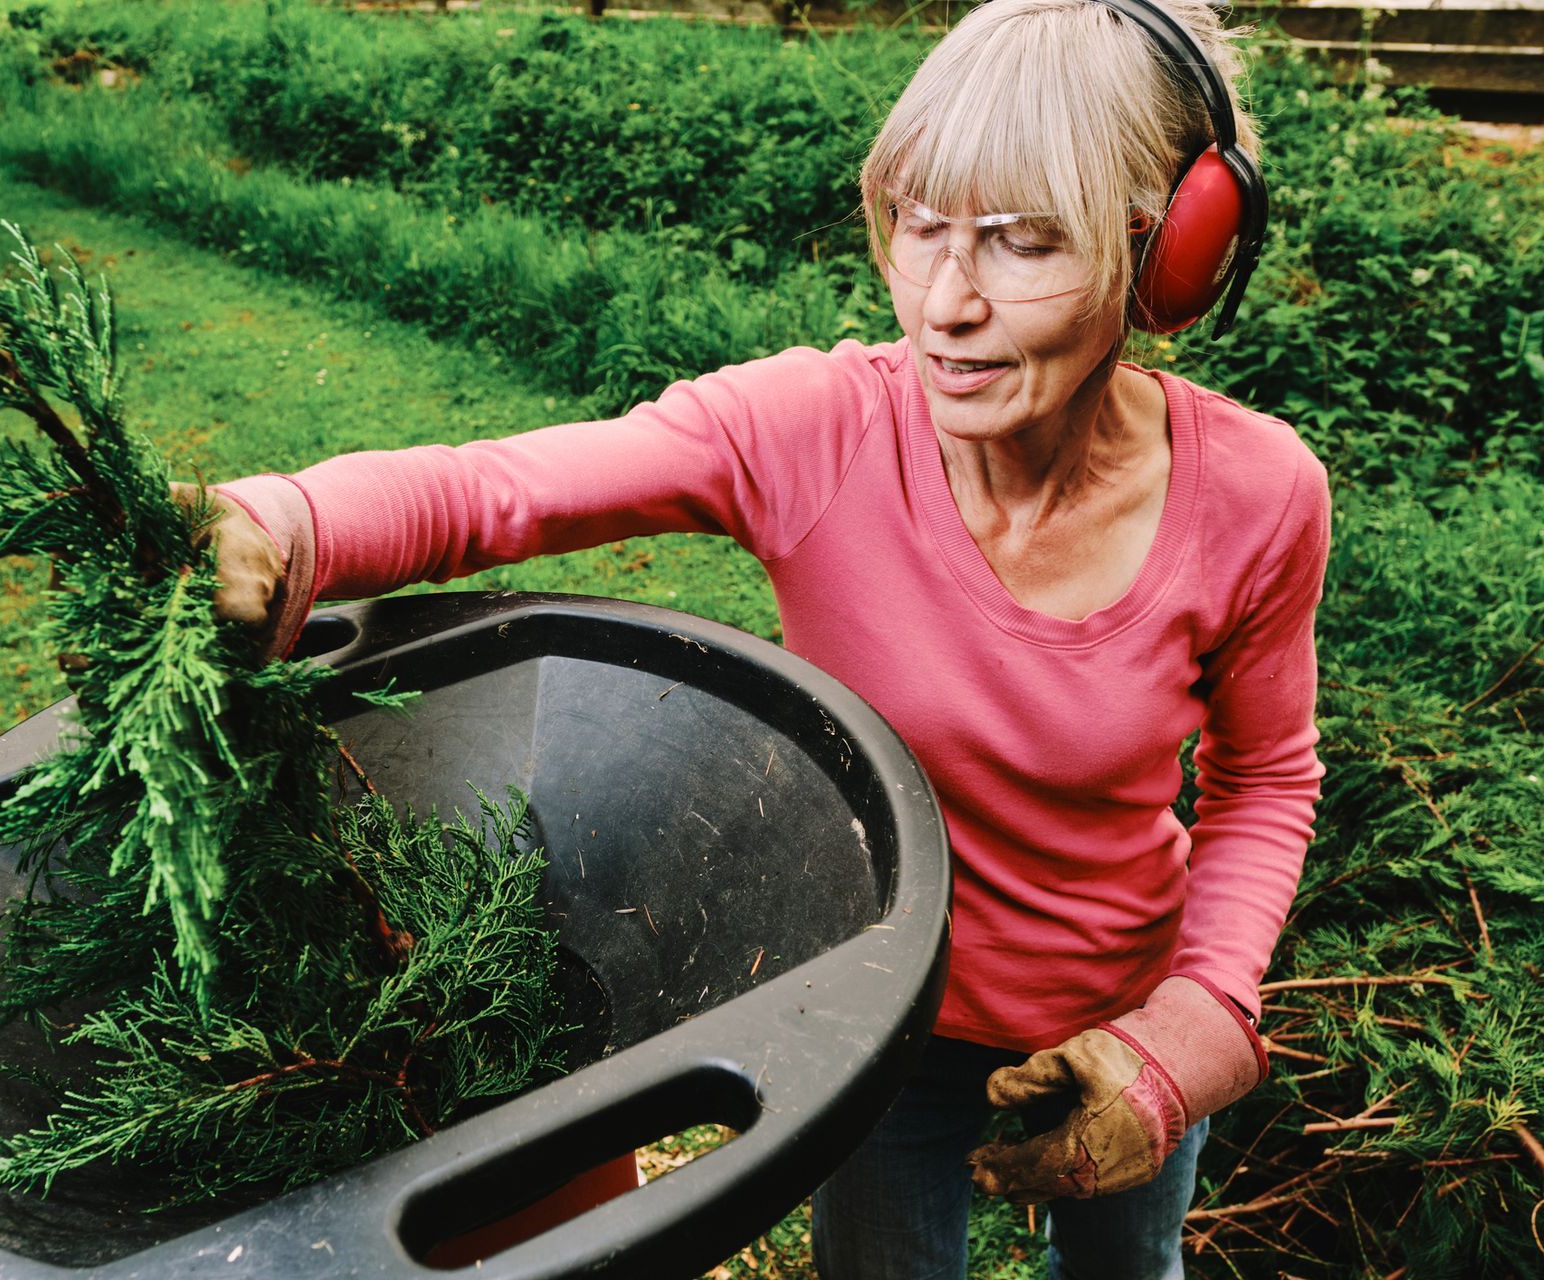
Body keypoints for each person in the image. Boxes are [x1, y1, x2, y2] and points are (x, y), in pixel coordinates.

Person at [175, 0, 1329, 1274]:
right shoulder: (814, 430)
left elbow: (1266, 777)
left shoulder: (1259, 495)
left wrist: (1192, 1032)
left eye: (1024, 242)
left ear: (1170, 250)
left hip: (1131, 1016)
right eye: (920, 227)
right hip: (885, 1016)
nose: (943, 302)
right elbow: (498, 485)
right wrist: (285, 523)